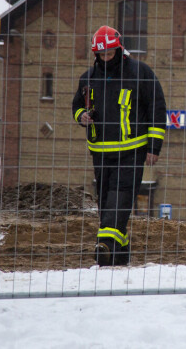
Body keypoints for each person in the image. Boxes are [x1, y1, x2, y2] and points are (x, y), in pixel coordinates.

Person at [72, 26, 167, 266]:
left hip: (131, 151)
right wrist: (82, 115)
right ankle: (119, 251)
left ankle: (104, 246)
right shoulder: (89, 78)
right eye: (101, 55)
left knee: (120, 197)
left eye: (109, 54)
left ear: (119, 49)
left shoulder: (140, 73)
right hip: (101, 152)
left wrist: (154, 147)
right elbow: (76, 106)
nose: (106, 59)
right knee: (105, 200)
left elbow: (157, 108)